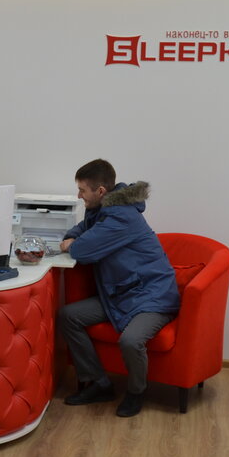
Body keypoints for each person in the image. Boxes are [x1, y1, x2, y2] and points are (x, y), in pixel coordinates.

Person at [57, 158, 179, 417]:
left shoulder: (121, 217)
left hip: (152, 296)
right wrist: (72, 237)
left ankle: (136, 391)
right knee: (69, 316)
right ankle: (99, 383)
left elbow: (83, 250)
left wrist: (72, 244)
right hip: (121, 295)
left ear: (100, 191)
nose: (79, 196)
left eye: (82, 190)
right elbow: (81, 229)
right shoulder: (102, 210)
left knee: (131, 341)